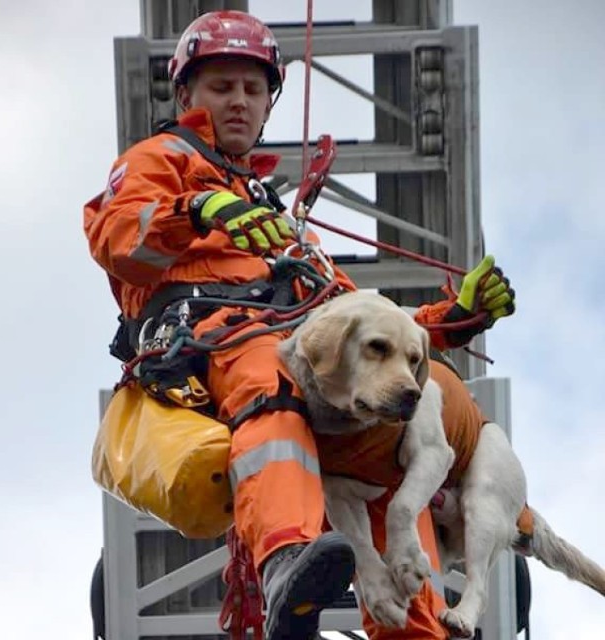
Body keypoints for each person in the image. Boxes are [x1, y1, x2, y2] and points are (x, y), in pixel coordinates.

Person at [83, 10, 515, 640]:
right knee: (276, 382)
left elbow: (353, 315)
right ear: (186, 95)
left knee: (394, 462)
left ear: (267, 103)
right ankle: (285, 556)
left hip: (295, 342)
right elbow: (119, 237)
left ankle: (419, 629)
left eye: (252, 90)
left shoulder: (268, 211)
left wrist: (450, 319)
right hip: (218, 342)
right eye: (222, 87)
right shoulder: (163, 160)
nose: (239, 101)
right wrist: (201, 209)